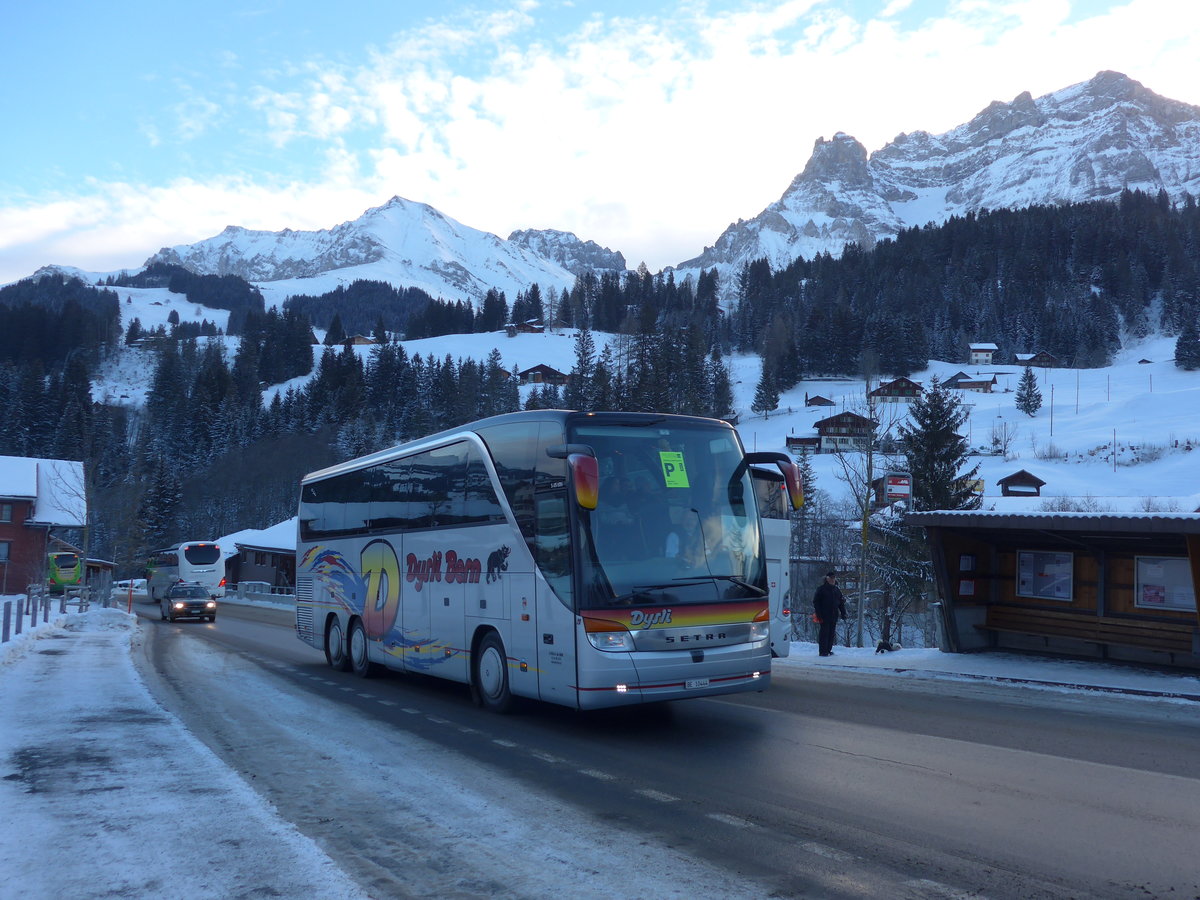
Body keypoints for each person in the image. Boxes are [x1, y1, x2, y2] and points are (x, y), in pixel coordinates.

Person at [812, 571, 846, 657]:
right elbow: (816, 602)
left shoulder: (837, 590)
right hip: (824, 615)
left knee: (831, 634)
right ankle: (823, 651)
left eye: (833, 578)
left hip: (834, 616)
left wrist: (843, 613)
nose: (832, 580)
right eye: (830, 578)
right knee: (824, 634)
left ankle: (828, 650)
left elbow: (841, 603)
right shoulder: (821, 589)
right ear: (827, 579)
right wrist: (819, 614)